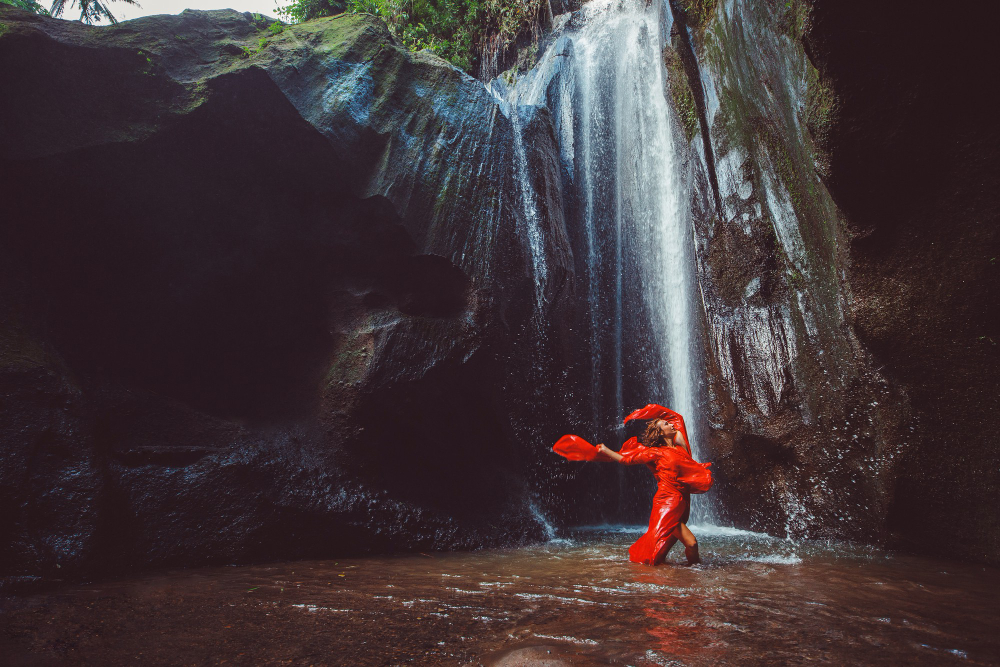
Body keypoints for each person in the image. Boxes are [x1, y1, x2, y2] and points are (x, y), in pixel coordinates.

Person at [596, 417, 710, 566]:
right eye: (666, 424)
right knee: (692, 543)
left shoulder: (681, 449)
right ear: (660, 433)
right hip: (667, 503)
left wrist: (671, 425)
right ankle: (696, 569)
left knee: (664, 548)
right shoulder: (655, 452)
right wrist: (605, 450)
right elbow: (627, 460)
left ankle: (676, 573)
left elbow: (681, 431)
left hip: (683, 501)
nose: (671, 424)